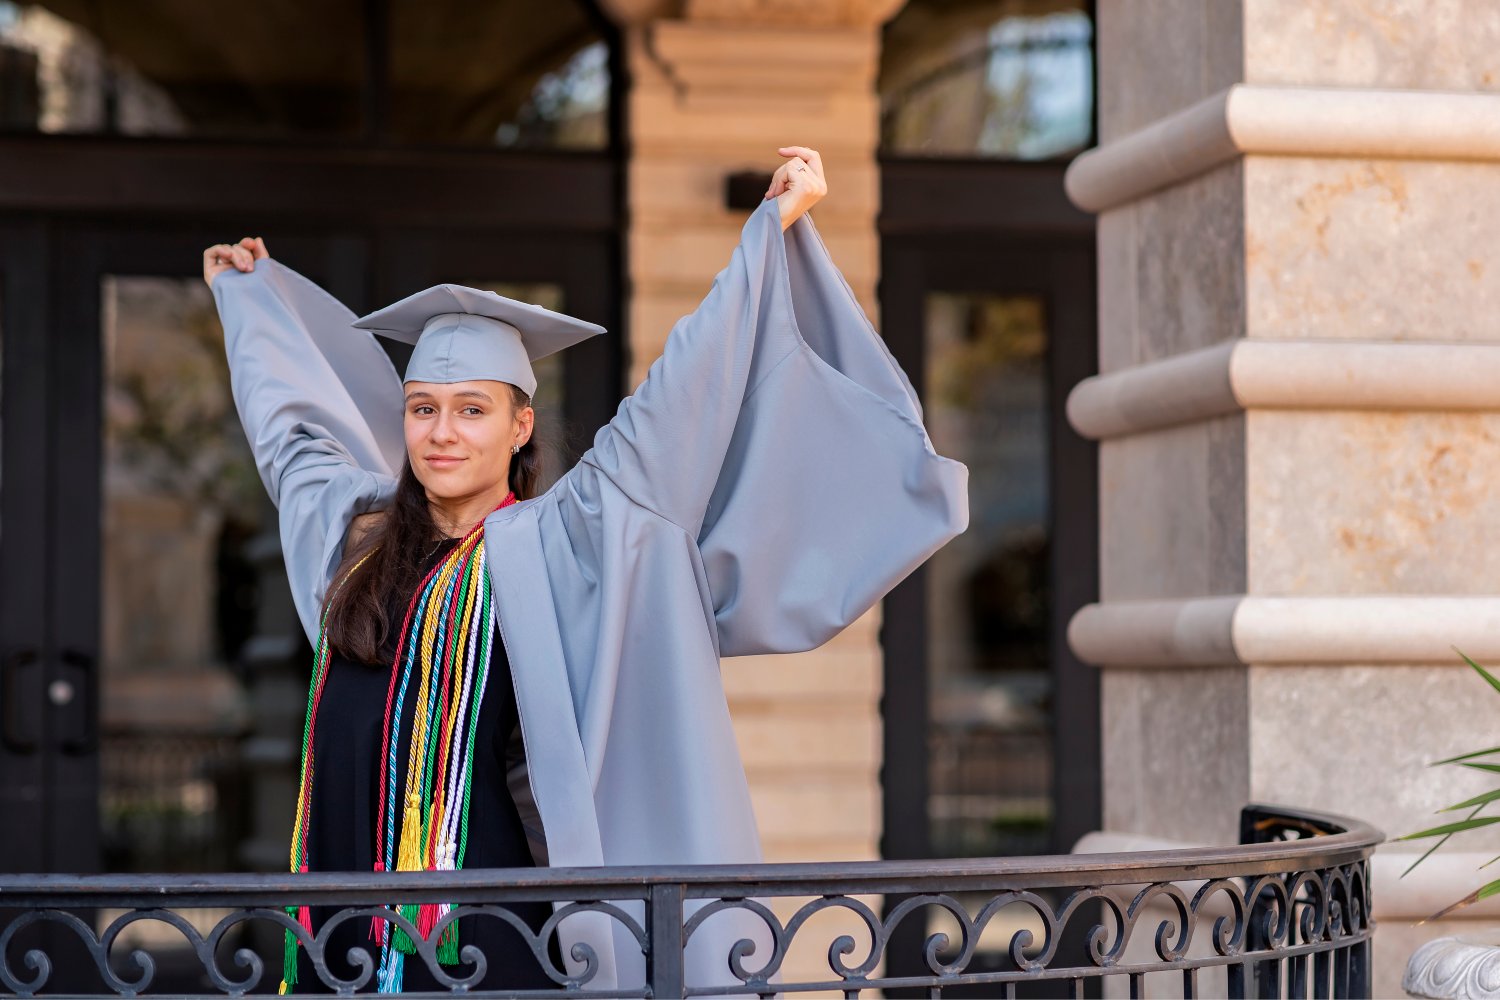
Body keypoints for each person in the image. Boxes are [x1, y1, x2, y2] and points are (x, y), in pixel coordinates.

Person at [204, 146, 969, 996]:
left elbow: (672, 408)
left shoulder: (553, 547)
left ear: (520, 426)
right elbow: (293, 443)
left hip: (473, 937)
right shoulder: (358, 536)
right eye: (423, 410)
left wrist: (767, 234)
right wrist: (250, 303)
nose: (442, 433)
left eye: (471, 410)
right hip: (334, 922)